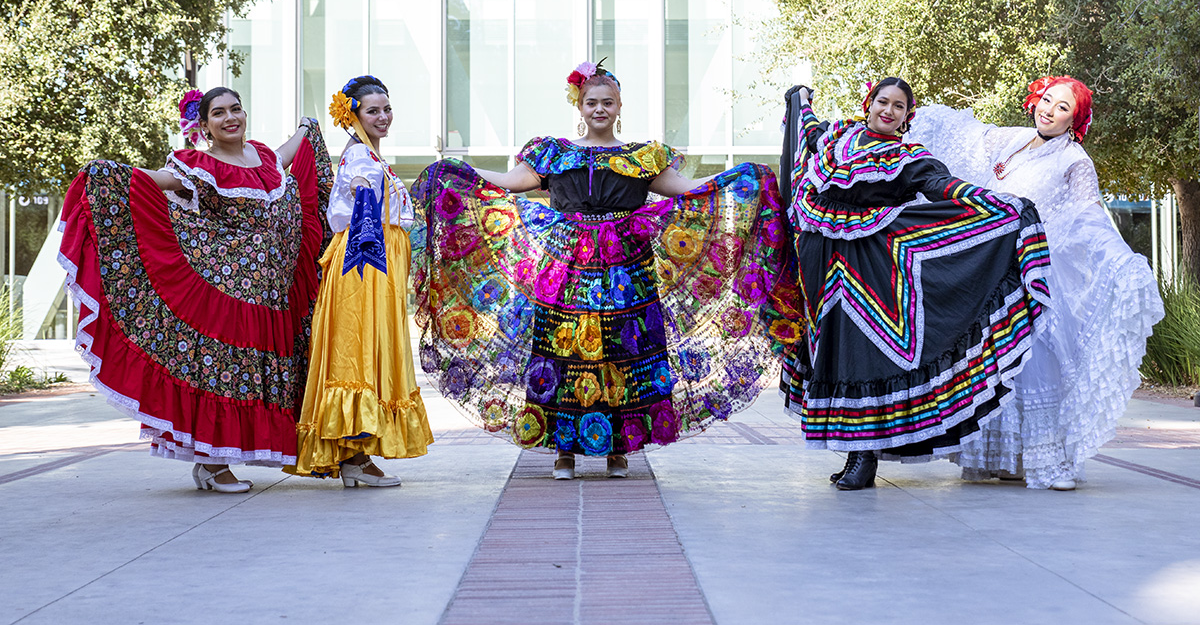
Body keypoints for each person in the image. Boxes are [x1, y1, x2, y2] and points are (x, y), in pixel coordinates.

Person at [412, 59, 799, 479]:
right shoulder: (552, 153)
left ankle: (620, 449)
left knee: (624, 350)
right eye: (591, 101)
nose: (599, 109)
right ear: (579, 106)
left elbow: (689, 191)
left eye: (607, 102)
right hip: (565, 268)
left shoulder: (644, 156)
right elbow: (505, 182)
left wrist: (745, 178)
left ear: (619, 106)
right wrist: (456, 170)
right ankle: (565, 452)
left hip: (627, 269)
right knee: (562, 351)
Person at [781, 78, 1053, 490]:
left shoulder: (908, 156)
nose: (888, 111)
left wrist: (996, 202)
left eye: (899, 107)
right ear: (869, 103)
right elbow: (809, 128)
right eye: (882, 102)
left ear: (908, 116)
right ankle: (851, 449)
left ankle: (863, 458)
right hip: (820, 261)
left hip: (868, 265)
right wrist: (801, 99)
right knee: (830, 351)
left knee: (862, 353)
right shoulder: (837, 136)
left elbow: (942, 186)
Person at [58, 87, 332, 492]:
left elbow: (293, 148)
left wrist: (307, 128)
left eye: (235, 108)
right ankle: (211, 463)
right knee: (222, 375)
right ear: (204, 126)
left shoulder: (264, 159)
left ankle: (221, 459)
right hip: (224, 292)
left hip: (269, 297)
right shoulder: (198, 165)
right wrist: (112, 175)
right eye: (218, 113)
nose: (230, 118)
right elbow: (161, 181)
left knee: (252, 380)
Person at [908, 76, 1164, 490]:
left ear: (1075, 120)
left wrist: (1122, 262)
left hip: (1036, 271)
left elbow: (1088, 216)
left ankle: (1050, 461)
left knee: (1035, 358)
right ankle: (998, 458)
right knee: (992, 357)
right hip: (990, 267)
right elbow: (970, 137)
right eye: (1047, 100)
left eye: (1063, 107)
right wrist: (926, 118)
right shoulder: (1014, 139)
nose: (1049, 110)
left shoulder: (1074, 160)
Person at [288, 75, 434, 487]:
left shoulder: (371, 155)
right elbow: (358, 188)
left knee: (369, 351)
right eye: (373, 111)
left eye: (387, 109)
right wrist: (361, 189)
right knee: (359, 352)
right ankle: (353, 456)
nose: (383, 117)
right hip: (364, 264)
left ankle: (356, 454)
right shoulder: (361, 160)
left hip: (374, 267)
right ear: (353, 116)